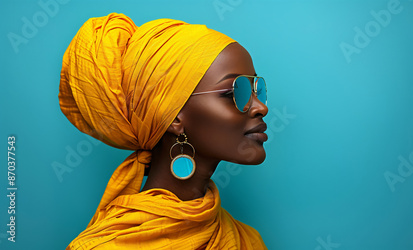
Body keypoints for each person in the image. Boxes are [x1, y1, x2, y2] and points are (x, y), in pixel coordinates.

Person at [59, 13, 268, 249]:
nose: (261, 107)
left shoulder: (247, 241)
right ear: (173, 117)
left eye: (257, 89)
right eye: (234, 92)